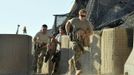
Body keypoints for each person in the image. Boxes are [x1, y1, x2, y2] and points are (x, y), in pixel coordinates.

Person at [65, 9, 93, 75]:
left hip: (82, 41)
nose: (82, 17)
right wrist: (68, 33)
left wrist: (85, 34)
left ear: (86, 16)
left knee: (78, 54)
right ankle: (78, 69)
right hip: (75, 40)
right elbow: (67, 23)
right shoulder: (74, 20)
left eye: (84, 16)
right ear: (79, 14)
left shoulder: (87, 23)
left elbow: (91, 32)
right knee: (77, 51)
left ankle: (71, 60)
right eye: (81, 15)